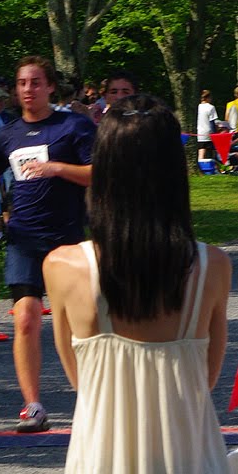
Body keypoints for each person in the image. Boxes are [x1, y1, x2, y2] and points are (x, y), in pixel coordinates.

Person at [43, 95, 232, 473]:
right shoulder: (211, 267)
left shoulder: (63, 266)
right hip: (191, 457)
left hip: (100, 458)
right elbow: (205, 380)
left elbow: (83, 383)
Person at [0, 55, 96, 433]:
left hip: (67, 238)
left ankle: (92, 402)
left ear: (50, 87)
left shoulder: (73, 125)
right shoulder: (8, 134)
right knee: (25, 318)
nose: (28, 89)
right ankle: (33, 406)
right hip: (24, 237)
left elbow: (99, 172)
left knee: (76, 325)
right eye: (22, 83)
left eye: (36, 82)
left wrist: (56, 168)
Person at [197, 89, 219, 161]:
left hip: (199, 133)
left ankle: (200, 165)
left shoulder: (197, 107)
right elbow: (212, 122)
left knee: (201, 153)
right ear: (208, 98)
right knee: (212, 153)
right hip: (208, 133)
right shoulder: (211, 107)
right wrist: (215, 134)